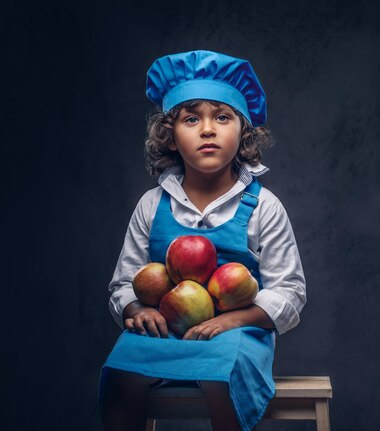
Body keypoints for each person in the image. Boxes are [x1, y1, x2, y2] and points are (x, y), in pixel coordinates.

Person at [99, 50, 306, 431]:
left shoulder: (262, 206)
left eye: (222, 117)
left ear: (243, 132)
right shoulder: (152, 205)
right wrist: (135, 311)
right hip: (163, 330)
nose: (207, 129)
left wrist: (235, 319)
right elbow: (124, 283)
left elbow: (290, 291)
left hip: (237, 334)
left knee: (222, 376)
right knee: (118, 374)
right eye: (191, 119)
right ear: (170, 138)